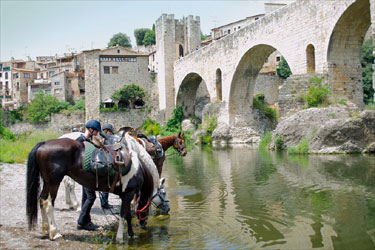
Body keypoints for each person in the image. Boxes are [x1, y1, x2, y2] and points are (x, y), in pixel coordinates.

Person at [76, 120, 102, 231]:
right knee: (91, 197)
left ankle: (86, 221)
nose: (96, 134)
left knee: (85, 197)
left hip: (86, 174)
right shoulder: (80, 141)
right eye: (95, 131)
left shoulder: (88, 141)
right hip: (84, 173)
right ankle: (81, 221)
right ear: (90, 129)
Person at [99, 123, 115, 210]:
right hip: (105, 164)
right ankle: (104, 203)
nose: (112, 134)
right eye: (111, 132)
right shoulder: (105, 140)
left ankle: (104, 202)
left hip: (104, 163)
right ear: (107, 131)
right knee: (106, 185)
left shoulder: (102, 139)